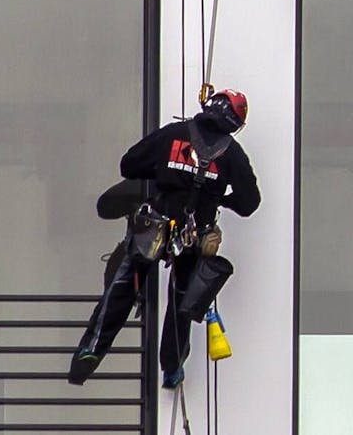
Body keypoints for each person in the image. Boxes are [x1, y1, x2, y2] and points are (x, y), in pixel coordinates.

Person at [69, 89, 259, 388]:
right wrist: (220, 200)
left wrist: (162, 170)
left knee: (122, 288)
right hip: (193, 238)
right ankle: (172, 368)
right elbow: (250, 203)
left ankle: (90, 351)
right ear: (234, 121)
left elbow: (129, 165)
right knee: (182, 302)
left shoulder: (173, 134)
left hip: (153, 228)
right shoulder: (232, 154)